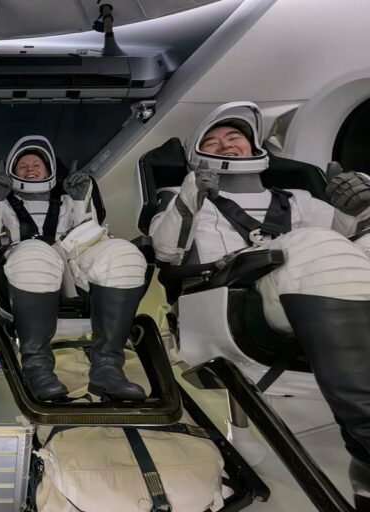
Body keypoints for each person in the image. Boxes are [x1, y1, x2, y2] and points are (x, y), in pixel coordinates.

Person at [148, 101, 370, 505]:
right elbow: (167, 252)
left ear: (254, 149)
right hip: (229, 300)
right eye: (212, 142)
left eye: (234, 137)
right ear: (197, 157)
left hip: (315, 287)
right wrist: (192, 194)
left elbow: (353, 241)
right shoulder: (179, 197)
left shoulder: (301, 201)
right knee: (314, 244)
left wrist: (359, 207)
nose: (225, 145)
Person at [0, 135, 147, 402]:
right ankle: (37, 369)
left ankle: (108, 370)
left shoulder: (67, 203)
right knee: (36, 253)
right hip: (22, 272)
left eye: (37, 164)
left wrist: (81, 200)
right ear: (12, 173)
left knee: (124, 254)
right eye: (22, 166)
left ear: (49, 170)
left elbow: (89, 235)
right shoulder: (4, 204)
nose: (30, 169)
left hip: (71, 271)